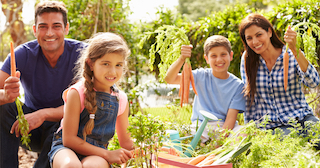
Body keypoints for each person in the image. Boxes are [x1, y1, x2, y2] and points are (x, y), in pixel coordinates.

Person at [0, 1, 87, 167]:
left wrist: (43, 114)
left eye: (56, 26)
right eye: (43, 26)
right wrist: (5, 94)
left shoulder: (82, 54)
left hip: (65, 128)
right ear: (34, 30)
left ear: (66, 28)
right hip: (29, 128)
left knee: (71, 119)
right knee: (3, 106)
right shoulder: (22, 54)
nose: (49, 33)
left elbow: (86, 103)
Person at [48, 32, 134, 168]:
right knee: (71, 166)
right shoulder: (77, 93)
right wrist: (108, 154)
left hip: (97, 153)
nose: (113, 71)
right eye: (106, 64)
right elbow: (68, 139)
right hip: (66, 149)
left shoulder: (120, 99)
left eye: (118, 65)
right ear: (91, 64)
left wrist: (149, 146)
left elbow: (126, 142)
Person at [239, 13, 320, 140]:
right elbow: (250, 99)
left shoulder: (291, 54)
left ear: (269, 32)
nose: (255, 42)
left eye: (259, 35)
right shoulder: (247, 60)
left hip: (303, 118)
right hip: (274, 127)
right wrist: (249, 130)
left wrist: (295, 49)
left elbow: (313, 82)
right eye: (249, 38)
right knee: (294, 142)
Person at [164, 35, 246, 143]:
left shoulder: (238, 86)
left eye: (223, 54)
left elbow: (230, 120)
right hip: (200, 127)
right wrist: (182, 59)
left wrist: (217, 143)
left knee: (245, 132)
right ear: (207, 59)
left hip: (224, 128)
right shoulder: (201, 75)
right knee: (171, 136)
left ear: (230, 56)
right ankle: (202, 145)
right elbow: (170, 79)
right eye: (213, 56)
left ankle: (209, 148)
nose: (219, 59)